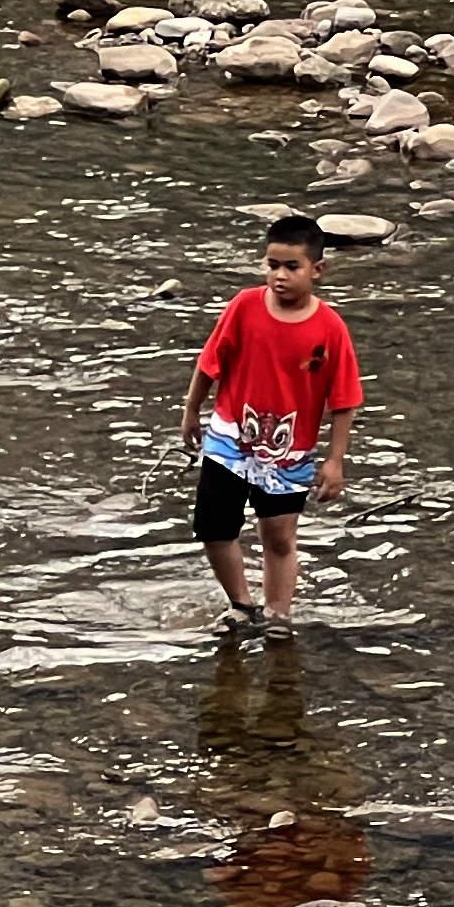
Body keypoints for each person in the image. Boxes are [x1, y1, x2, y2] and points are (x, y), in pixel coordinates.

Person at [183, 211, 363, 637]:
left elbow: (344, 401)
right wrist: (192, 409)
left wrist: (335, 461)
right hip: (230, 440)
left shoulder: (330, 329)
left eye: (291, 267)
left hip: (289, 452)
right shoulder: (244, 307)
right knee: (214, 527)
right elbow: (210, 362)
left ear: (317, 270)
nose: (279, 276)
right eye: (272, 265)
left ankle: (279, 613)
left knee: (278, 535)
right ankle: (242, 604)